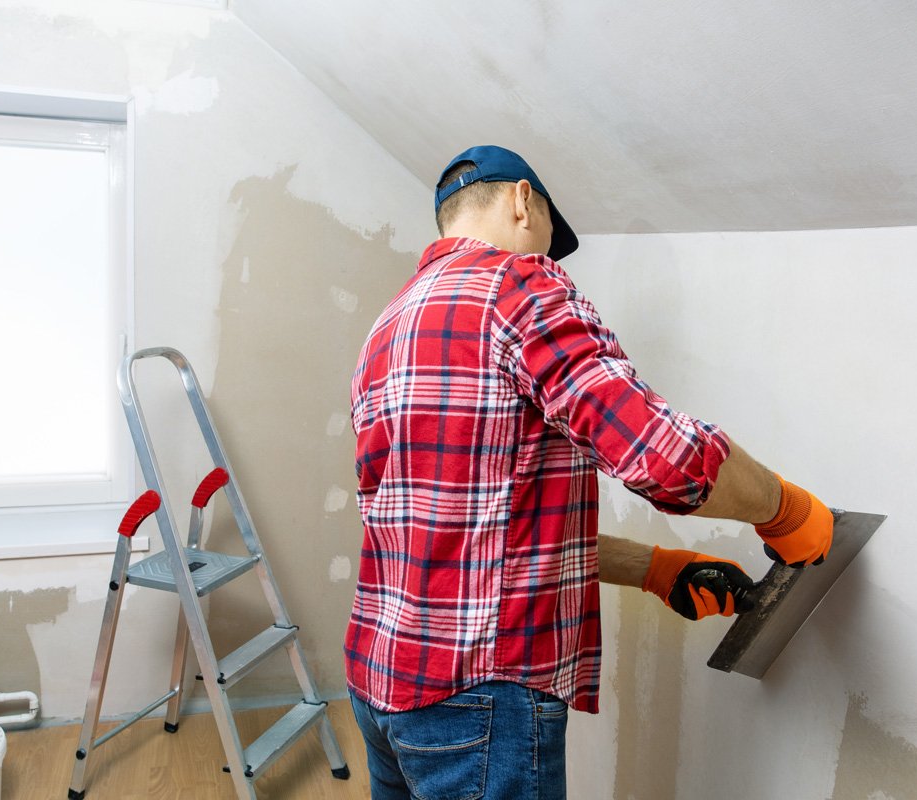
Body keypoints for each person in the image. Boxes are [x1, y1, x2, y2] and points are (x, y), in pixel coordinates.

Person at [345, 145, 833, 799]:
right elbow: (664, 457)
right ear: (522, 200)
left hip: (380, 686)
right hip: (477, 700)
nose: (548, 256)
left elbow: (480, 529)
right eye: (549, 238)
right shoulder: (519, 286)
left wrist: (658, 568)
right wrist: (785, 509)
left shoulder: (389, 327)